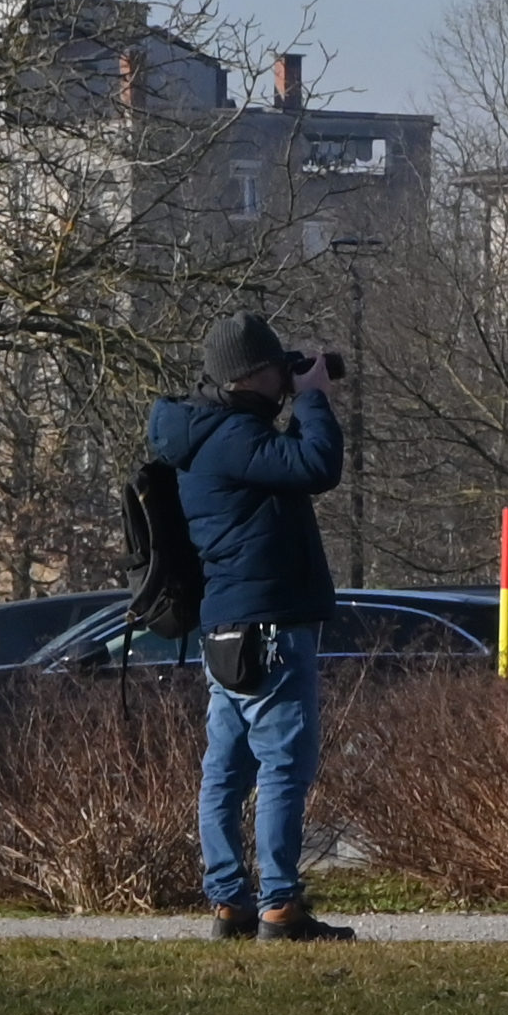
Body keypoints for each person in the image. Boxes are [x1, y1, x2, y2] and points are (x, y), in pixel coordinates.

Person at [149, 314, 351, 941]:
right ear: (252, 374)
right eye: (277, 368)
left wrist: (292, 397)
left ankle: (230, 901)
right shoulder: (234, 437)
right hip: (270, 628)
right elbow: (317, 465)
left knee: (227, 769)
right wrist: (313, 396)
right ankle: (280, 905)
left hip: (229, 628)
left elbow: (283, 467)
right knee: (283, 765)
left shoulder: (207, 433)